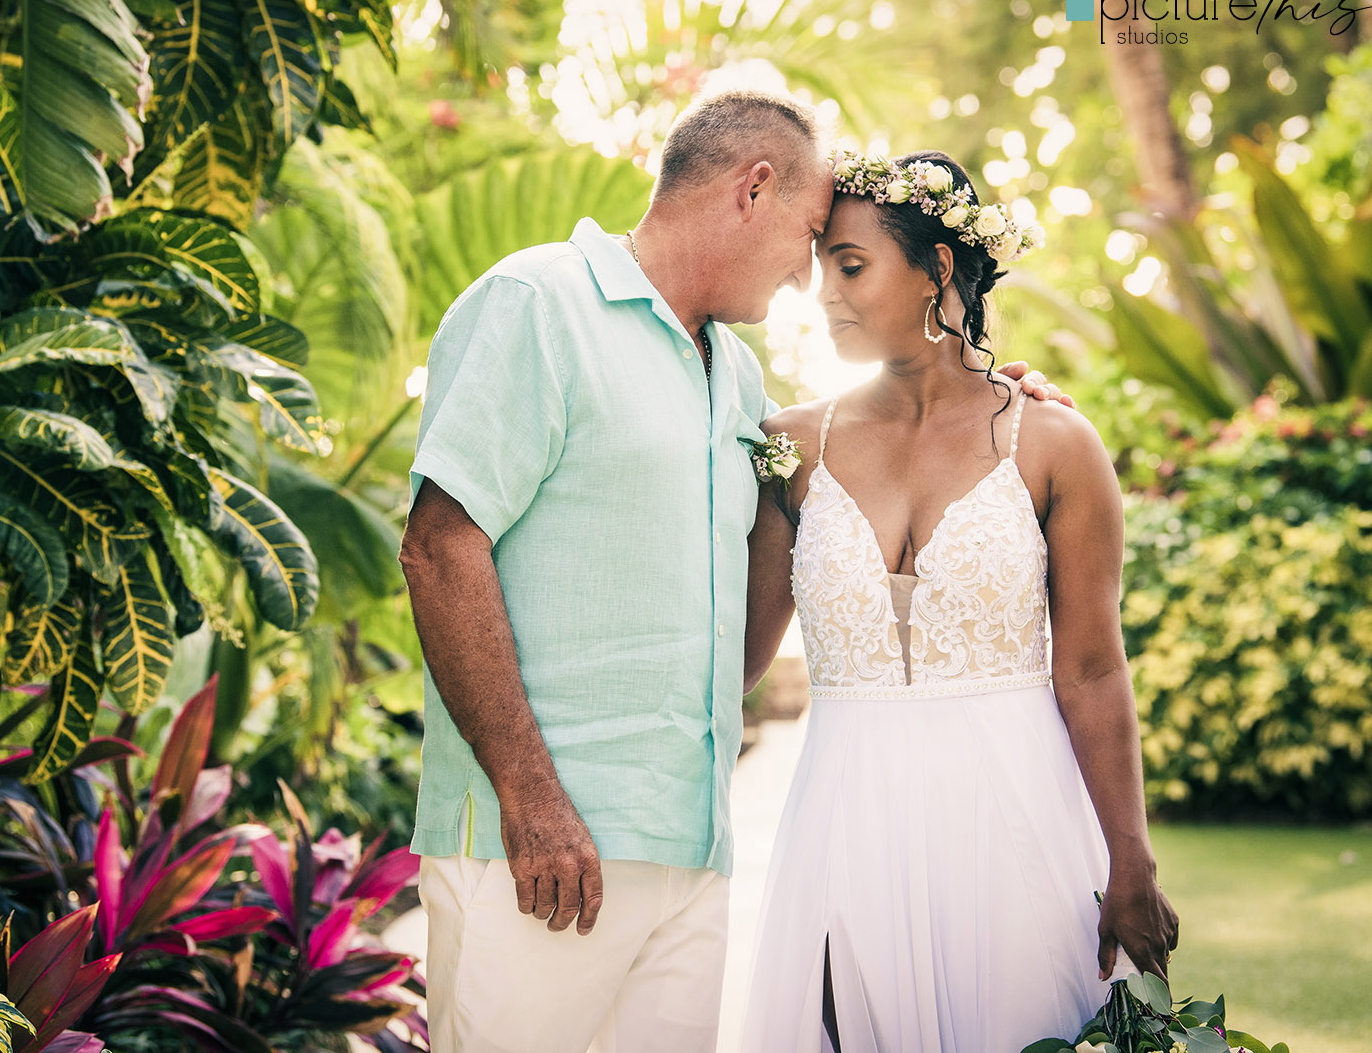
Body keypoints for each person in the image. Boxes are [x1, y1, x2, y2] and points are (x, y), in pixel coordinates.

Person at [399, 92, 1056, 1053]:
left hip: (691, 852)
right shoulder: (539, 303)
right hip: (540, 849)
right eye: (806, 238)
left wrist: (991, 407)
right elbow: (438, 545)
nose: (807, 279)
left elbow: (813, 522)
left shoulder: (736, 380)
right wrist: (530, 797)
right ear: (753, 189)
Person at [739, 149, 1179, 1053]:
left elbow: (1093, 669)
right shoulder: (789, 449)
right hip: (843, 820)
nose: (825, 293)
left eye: (851, 265)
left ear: (939, 268)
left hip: (1014, 819)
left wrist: (1129, 857)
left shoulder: (1055, 443)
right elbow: (737, 659)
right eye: (821, 264)